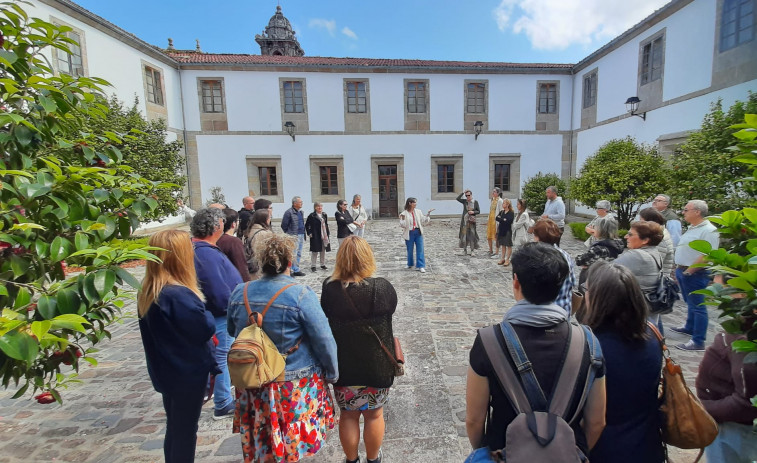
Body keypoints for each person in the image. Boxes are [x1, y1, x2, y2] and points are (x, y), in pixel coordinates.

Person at [465, 243, 606, 458]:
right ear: (561, 287)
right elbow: (596, 422)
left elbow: (474, 420)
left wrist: (482, 453)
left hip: (502, 451)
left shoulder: (489, 341)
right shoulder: (588, 341)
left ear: (516, 282)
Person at [226, 233, 339, 463]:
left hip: (253, 379)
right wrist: (332, 372)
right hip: (291, 381)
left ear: (261, 262)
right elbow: (323, 338)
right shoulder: (300, 294)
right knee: (291, 442)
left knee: (264, 441)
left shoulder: (240, 291)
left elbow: (231, 330)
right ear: (290, 262)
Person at [138, 229, 218, 463]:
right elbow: (203, 327)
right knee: (184, 432)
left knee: (175, 427)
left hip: (166, 371)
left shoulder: (150, 289)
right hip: (186, 373)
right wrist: (209, 314)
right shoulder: (178, 294)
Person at [320, 236, 398, 463]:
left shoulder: (330, 288)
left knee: (349, 415)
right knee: (374, 416)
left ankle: (351, 460)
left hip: (344, 364)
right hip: (377, 365)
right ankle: (373, 459)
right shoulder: (381, 287)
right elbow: (391, 307)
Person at [583, 261, 665, 463]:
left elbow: (594, 419)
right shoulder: (652, 334)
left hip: (603, 448)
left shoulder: (591, 346)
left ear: (597, 298)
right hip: (646, 444)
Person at [190, 207, 243, 420]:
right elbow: (215, 288)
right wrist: (231, 307)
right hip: (220, 314)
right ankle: (222, 402)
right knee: (221, 356)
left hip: (219, 313)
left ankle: (223, 395)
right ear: (216, 226)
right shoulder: (204, 253)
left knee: (222, 355)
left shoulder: (205, 249)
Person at [696, 329, 757, 462]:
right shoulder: (742, 329)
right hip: (726, 422)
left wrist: (700, 408)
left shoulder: (746, 341)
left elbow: (745, 404)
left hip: (734, 428)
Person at [671, 200, 719, 351]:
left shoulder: (709, 230)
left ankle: (698, 341)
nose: (683, 212)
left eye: (686, 210)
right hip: (683, 270)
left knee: (698, 306)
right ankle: (689, 327)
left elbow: (708, 255)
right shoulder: (693, 227)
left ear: (697, 212)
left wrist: (689, 271)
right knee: (690, 302)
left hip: (695, 273)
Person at [532, 219, 575, 314]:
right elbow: (572, 282)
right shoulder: (565, 255)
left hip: (543, 313)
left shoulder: (537, 259)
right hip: (563, 310)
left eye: (534, 236)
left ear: (538, 238)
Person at [216, 207, 251, 282]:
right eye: (238, 220)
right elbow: (241, 267)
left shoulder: (215, 239)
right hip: (234, 283)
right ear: (233, 224)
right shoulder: (234, 242)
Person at [399, 197, 433, 273]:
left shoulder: (418, 211)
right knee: (410, 250)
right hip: (409, 233)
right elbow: (402, 225)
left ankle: (421, 266)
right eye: (414, 202)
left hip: (418, 232)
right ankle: (410, 263)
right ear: (410, 203)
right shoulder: (404, 213)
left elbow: (423, 220)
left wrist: (428, 214)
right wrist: (403, 219)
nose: (416, 204)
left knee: (420, 249)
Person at [639, 207, 675, 276]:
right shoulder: (658, 232)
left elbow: (655, 262)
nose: (639, 222)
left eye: (641, 220)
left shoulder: (659, 236)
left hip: (657, 278)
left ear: (649, 221)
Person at [243, 209, 272, 280]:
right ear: (265, 219)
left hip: (250, 265)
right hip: (260, 268)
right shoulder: (265, 233)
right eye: (269, 217)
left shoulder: (248, 231)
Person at [281, 196, 306, 277]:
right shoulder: (289, 212)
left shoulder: (300, 212)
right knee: (292, 253)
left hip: (301, 234)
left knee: (298, 253)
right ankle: (290, 269)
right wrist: (289, 233)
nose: (301, 203)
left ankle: (296, 269)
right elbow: (284, 225)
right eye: (300, 202)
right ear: (295, 203)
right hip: (293, 235)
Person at [305, 202, 331, 272]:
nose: (320, 208)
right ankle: (313, 265)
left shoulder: (324, 214)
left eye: (321, 206)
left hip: (324, 234)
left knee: (323, 250)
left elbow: (326, 224)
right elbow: (307, 225)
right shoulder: (312, 215)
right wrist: (309, 232)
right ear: (315, 207)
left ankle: (322, 264)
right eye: (318, 206)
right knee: (315, 251)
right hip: (315, 234)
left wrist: (327, 233)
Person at [456, 189, 480, 256]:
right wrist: (463, 192)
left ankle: (472, 251)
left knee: (472, 236)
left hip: (472, 222)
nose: (467, 197)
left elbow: (478, 211)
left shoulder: (475, 202)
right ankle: (464, 250)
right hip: (465, 222)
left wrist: (473, 212)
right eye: (466, 196)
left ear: (471, 195)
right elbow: (457, 199)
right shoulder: (465, 202)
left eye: (468, 195)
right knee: (464, 236)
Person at [495, 198, 514, 266]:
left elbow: (509, 221)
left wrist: (502, 219)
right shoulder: (502, 212)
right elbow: (497, 218)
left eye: (504, 203)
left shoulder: (511, 213)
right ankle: (502, 258)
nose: (503, 204)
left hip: (507, 230)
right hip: (501, 230)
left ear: (508, 204)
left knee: (508, 245)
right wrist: (503, 219)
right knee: (503, 244)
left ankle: (507, 259)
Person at [486, 188, 504, 257]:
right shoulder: (492, 200)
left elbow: (501, 211)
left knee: (496, 236)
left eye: (494, 192)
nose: (493, 193)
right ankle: (490, 250)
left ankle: (496, 252)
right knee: (489, 236)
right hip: (490, 220)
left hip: (496, 221)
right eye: (493, 191)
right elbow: (491, 210)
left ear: (498, 193)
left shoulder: (500, 201)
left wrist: (499, 221)